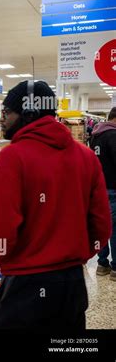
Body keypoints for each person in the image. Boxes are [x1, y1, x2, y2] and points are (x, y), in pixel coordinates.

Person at [0, 80, 112, 330]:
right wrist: (76, 256)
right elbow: (101, 223)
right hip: (72, 284)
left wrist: (5, 260)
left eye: (7, 112)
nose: (1, 120)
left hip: (24, 284)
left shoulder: (12, 157)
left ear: (28, 112)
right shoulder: (85, 156)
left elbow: (1, 229)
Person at [90, 107, 116, 281]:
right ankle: (115, 268)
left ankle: (102, 263)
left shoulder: (96, 134)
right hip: (113, 188)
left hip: (98, 189)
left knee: (101, 227)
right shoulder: (113, 135)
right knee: (115, 229)